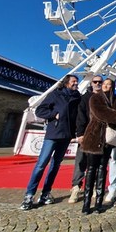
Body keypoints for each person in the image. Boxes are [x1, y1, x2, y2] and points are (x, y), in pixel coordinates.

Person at [20, 74, 81, 210]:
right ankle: (29, 194)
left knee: (55, 165)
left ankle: (46, 193)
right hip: (53, 133)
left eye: (77, 82)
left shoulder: (77, 97)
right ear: (66, 83)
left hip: (66, 135)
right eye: (74, 81)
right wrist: (54, 114)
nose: (76, 83)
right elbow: (41, 110)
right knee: (41, 164)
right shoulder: (55, 94)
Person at [81, 78, 116, 214]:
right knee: (91, 169)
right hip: (94, 136)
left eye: (108, 84)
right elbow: (102, 113)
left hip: (108, 139)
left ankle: (98, 202)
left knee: (103, 169)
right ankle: (86, 202)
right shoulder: (95, 99)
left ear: (112, 87)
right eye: (104, 84)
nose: (105, 86)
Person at [68, 75, 104, 204]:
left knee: (95, 163)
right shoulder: (85, 98)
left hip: (100, 135)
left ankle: (93, 185)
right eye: (95, 82)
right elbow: (81, 116)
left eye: (100, 82)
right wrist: (80, 133)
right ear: (92, 83)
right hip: (86, 134)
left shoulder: (104, 98)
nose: (98, 84)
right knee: (81, 161)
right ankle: (76, 187)